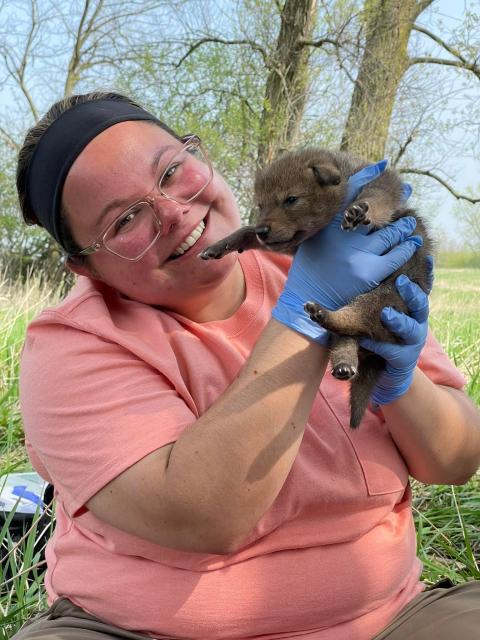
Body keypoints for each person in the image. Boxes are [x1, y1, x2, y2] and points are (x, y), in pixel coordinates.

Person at [13, 91, 480, 640]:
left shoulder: (346, 259)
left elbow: (455, 461)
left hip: (389, 621)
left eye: (170, 171)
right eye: (125, 220)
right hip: (140, 632)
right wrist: (306, 320)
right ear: (84, 265)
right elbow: (206, 517)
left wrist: (399, 382)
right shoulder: (73, 345)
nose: (172, 212)